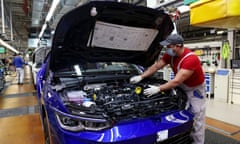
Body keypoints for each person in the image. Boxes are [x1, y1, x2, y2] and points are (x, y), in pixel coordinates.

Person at [130, 34, 206, 144]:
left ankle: (197, 142)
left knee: (197, 118)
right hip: (181, 85)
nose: (167, 49)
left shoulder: (191, 59)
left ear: (178, 46)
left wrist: (158, 89)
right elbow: (156, 66)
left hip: (194, 89)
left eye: (169, 46)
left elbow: (176, 81)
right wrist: (141, 76)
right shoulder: (170, 55)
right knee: (180, 112)